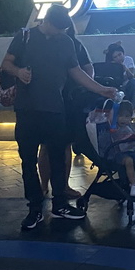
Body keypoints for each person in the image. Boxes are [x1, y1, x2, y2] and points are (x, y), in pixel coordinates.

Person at [1, 4, 118, 230]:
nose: (60, 33)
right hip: (27, 110)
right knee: (28, 161)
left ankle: (60, 204)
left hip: (55, 109)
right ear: (46, 22)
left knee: (57, 158)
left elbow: (76, 71)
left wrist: (100, 89)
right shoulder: (24, 36)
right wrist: (19, 72)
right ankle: (35, 208)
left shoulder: (66, 42)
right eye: (57, 28)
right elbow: (6, 63)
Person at [38, 27, 94, 201]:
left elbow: (87, 69)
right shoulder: (72, 45)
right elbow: (88, 69)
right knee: (55, 145)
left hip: (61, 101)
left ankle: (53, 186)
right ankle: (53, 186)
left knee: (55, 145)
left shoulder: (72, 45)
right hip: (57, 100)